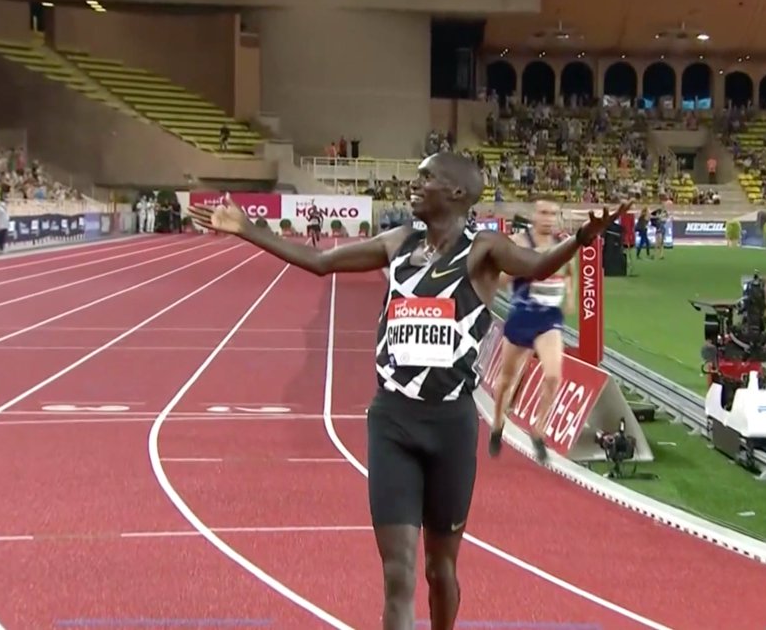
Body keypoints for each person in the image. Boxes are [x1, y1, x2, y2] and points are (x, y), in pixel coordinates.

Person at [189, 152, 626, 630]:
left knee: (440, 569)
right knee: (398, 573)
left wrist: (580, 239)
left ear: (457, 192)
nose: (412, 185)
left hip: (451, 426)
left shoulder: (483, 250)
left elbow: (538, 266)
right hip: (393, 422)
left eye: (426, 178)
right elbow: (319, 262)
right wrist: (245, 228)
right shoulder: (398, 242)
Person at [488, 199, 574, 464]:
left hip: (549, 319)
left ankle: (538, 431)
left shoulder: (563, 244)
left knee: (553, 376)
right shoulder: (518, 243)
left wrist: (570, 295)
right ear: (534, 216)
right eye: (543, 213)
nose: (548, 219)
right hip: (522, 315)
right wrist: (523, 267)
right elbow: (500, 279)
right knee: (507, 379)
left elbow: (570, 271)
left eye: (553, 214)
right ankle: (498, 423)